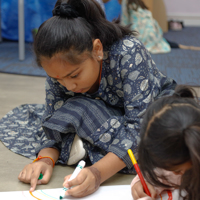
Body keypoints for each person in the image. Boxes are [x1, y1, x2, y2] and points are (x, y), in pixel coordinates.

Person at [17, 0, 176, 198]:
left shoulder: (127, 51)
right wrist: (44, 160)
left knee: (165, 137)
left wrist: (97, 173)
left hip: (151, 108)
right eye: (58, 78)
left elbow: (139, 127)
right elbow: (52, 119)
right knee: (72, 110)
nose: (69, 86)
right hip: (102, 111)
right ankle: (98, 149)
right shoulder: (60, 71)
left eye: (75, 75)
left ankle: (89, 148)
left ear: (97, 49)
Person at [131, 85, 200, 200]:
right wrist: (142, 185)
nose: (178, 174)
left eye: (178, 170)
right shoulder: (168, 168)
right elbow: (156, 175)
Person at [120, 0, 200, 54]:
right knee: (162, 41)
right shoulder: (139, 3)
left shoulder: (126, 2)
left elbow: (124, 20)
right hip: (153, 31)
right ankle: (185, 46)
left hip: (142, 33)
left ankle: (184, 46)